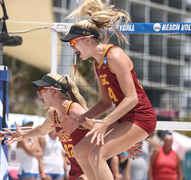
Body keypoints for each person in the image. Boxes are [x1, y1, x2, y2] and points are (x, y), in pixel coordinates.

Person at [50, 0, 157, 179]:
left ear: (87, 40)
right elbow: (105, 103)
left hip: (141, 118)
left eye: (74, 42)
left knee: (96, 155)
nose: (72, 47)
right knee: (81, 151)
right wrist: (78, 121)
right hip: (125, 119)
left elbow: (132, 99)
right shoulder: (97, 64)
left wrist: (104, 123)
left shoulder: (115, 55)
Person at [5, 73, 143, 180]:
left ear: (54, 92)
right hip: (75, 169)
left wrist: (124, 144)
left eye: (42, 89)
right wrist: (21, 135)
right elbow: (41, 130)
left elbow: (98, 127)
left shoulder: (74, 110)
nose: (38, 93)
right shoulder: (52, 114)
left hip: (88, 168)